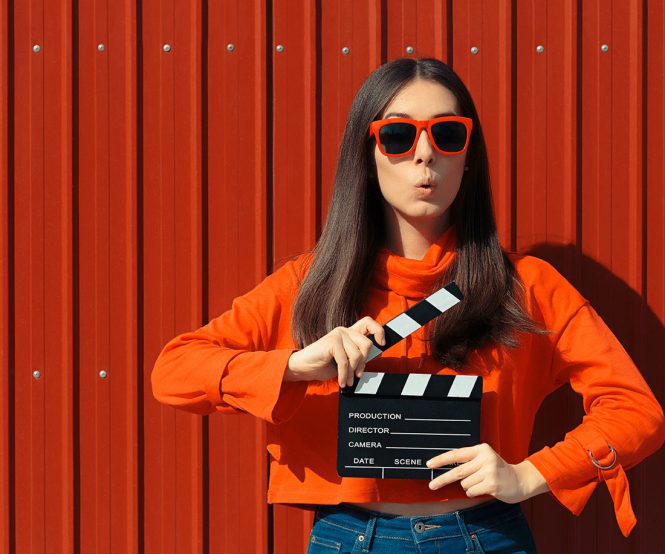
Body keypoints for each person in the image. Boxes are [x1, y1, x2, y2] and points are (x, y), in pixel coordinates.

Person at [151, 57, 665, 553]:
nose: (425, 154)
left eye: (447, 134)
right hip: (349, 538)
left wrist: (533, 473)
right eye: (398, 136)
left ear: (468, 153)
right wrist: (291, 367)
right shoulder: (306, 286)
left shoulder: (527, 286)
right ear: (367, 153)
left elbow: (635, 409)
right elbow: (172, 371)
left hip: (483, 536)